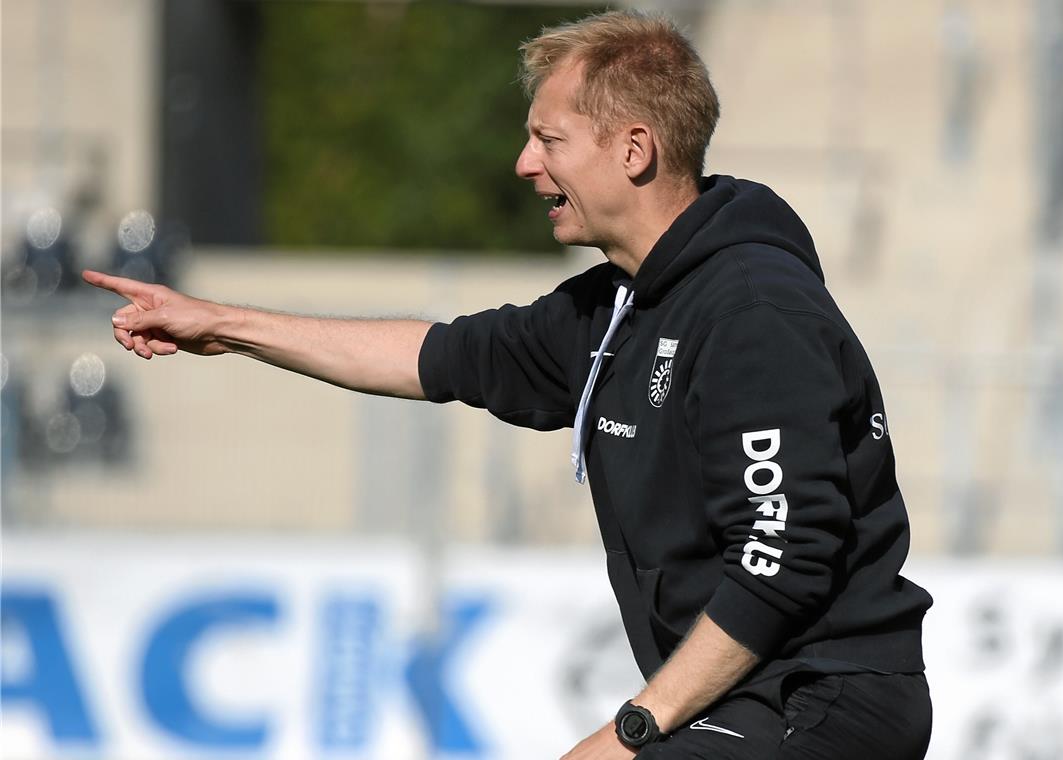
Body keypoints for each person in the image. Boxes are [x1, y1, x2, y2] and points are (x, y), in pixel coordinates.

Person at [86, 10, 933, 759]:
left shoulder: (751, 313)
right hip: (745, 704)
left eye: (550, 139)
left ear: (634, 149)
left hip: (820, 701)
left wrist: (634, 729)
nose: (526, 163)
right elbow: (429, 358)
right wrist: (221, 325)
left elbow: (781, 559)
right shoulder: (616, 308)